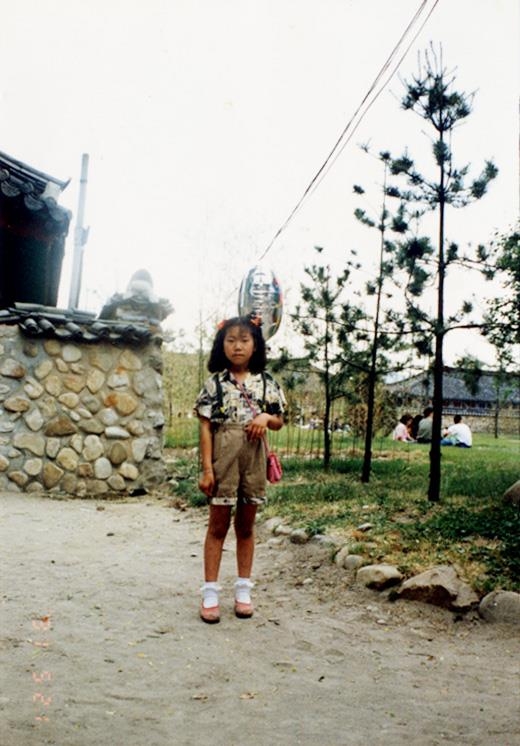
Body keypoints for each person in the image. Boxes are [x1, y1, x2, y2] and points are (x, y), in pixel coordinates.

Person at [194, 314, 286, 624]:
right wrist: (207, 469)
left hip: (254, 457)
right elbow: (206, 429)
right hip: (224, 454)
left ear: (256, 345)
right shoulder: (214, 384)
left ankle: (243, 590)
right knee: (217, 526)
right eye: (230, 340)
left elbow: (279, 420)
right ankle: (210, 593)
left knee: (246, 526)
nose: (237, 346)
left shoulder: (267, 382)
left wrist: (264, 419)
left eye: (244, 340)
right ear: (222, 345)